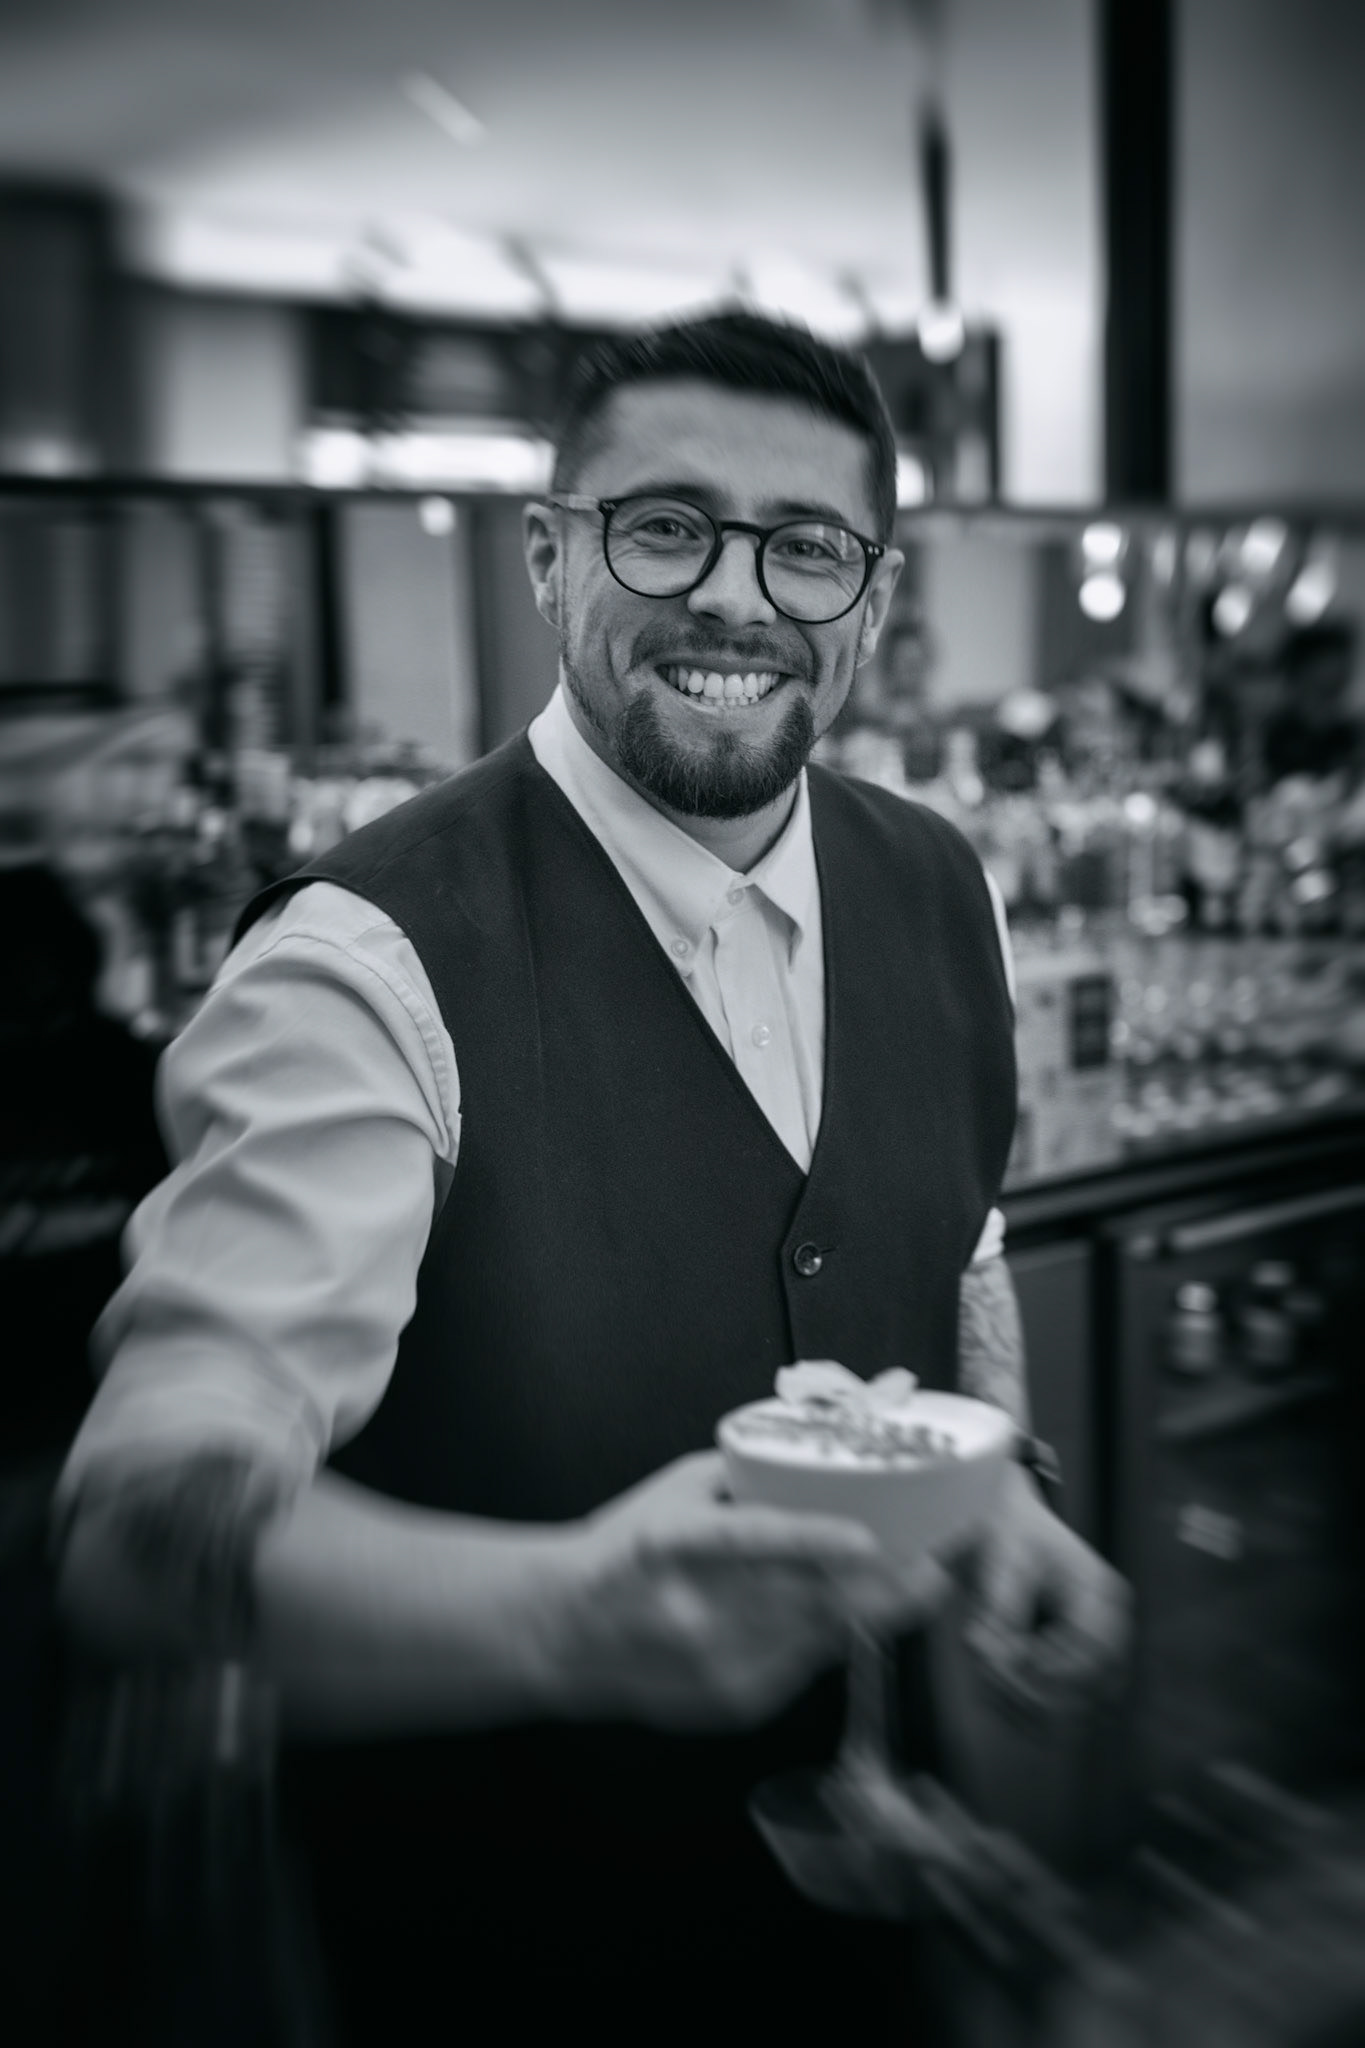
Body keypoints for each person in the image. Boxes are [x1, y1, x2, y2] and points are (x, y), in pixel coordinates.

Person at [52, 312, 1128, 2038]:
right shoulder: (365, 965)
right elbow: (131, 1537)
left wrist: (994, 1483)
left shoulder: (946, 890)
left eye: (805, 549)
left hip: (872, 1914)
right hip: (505, 1958)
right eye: (664, 524)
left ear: (869, 597)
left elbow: (959, 1254)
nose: (737, 597)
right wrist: (568, 1620)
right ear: (550, 558)